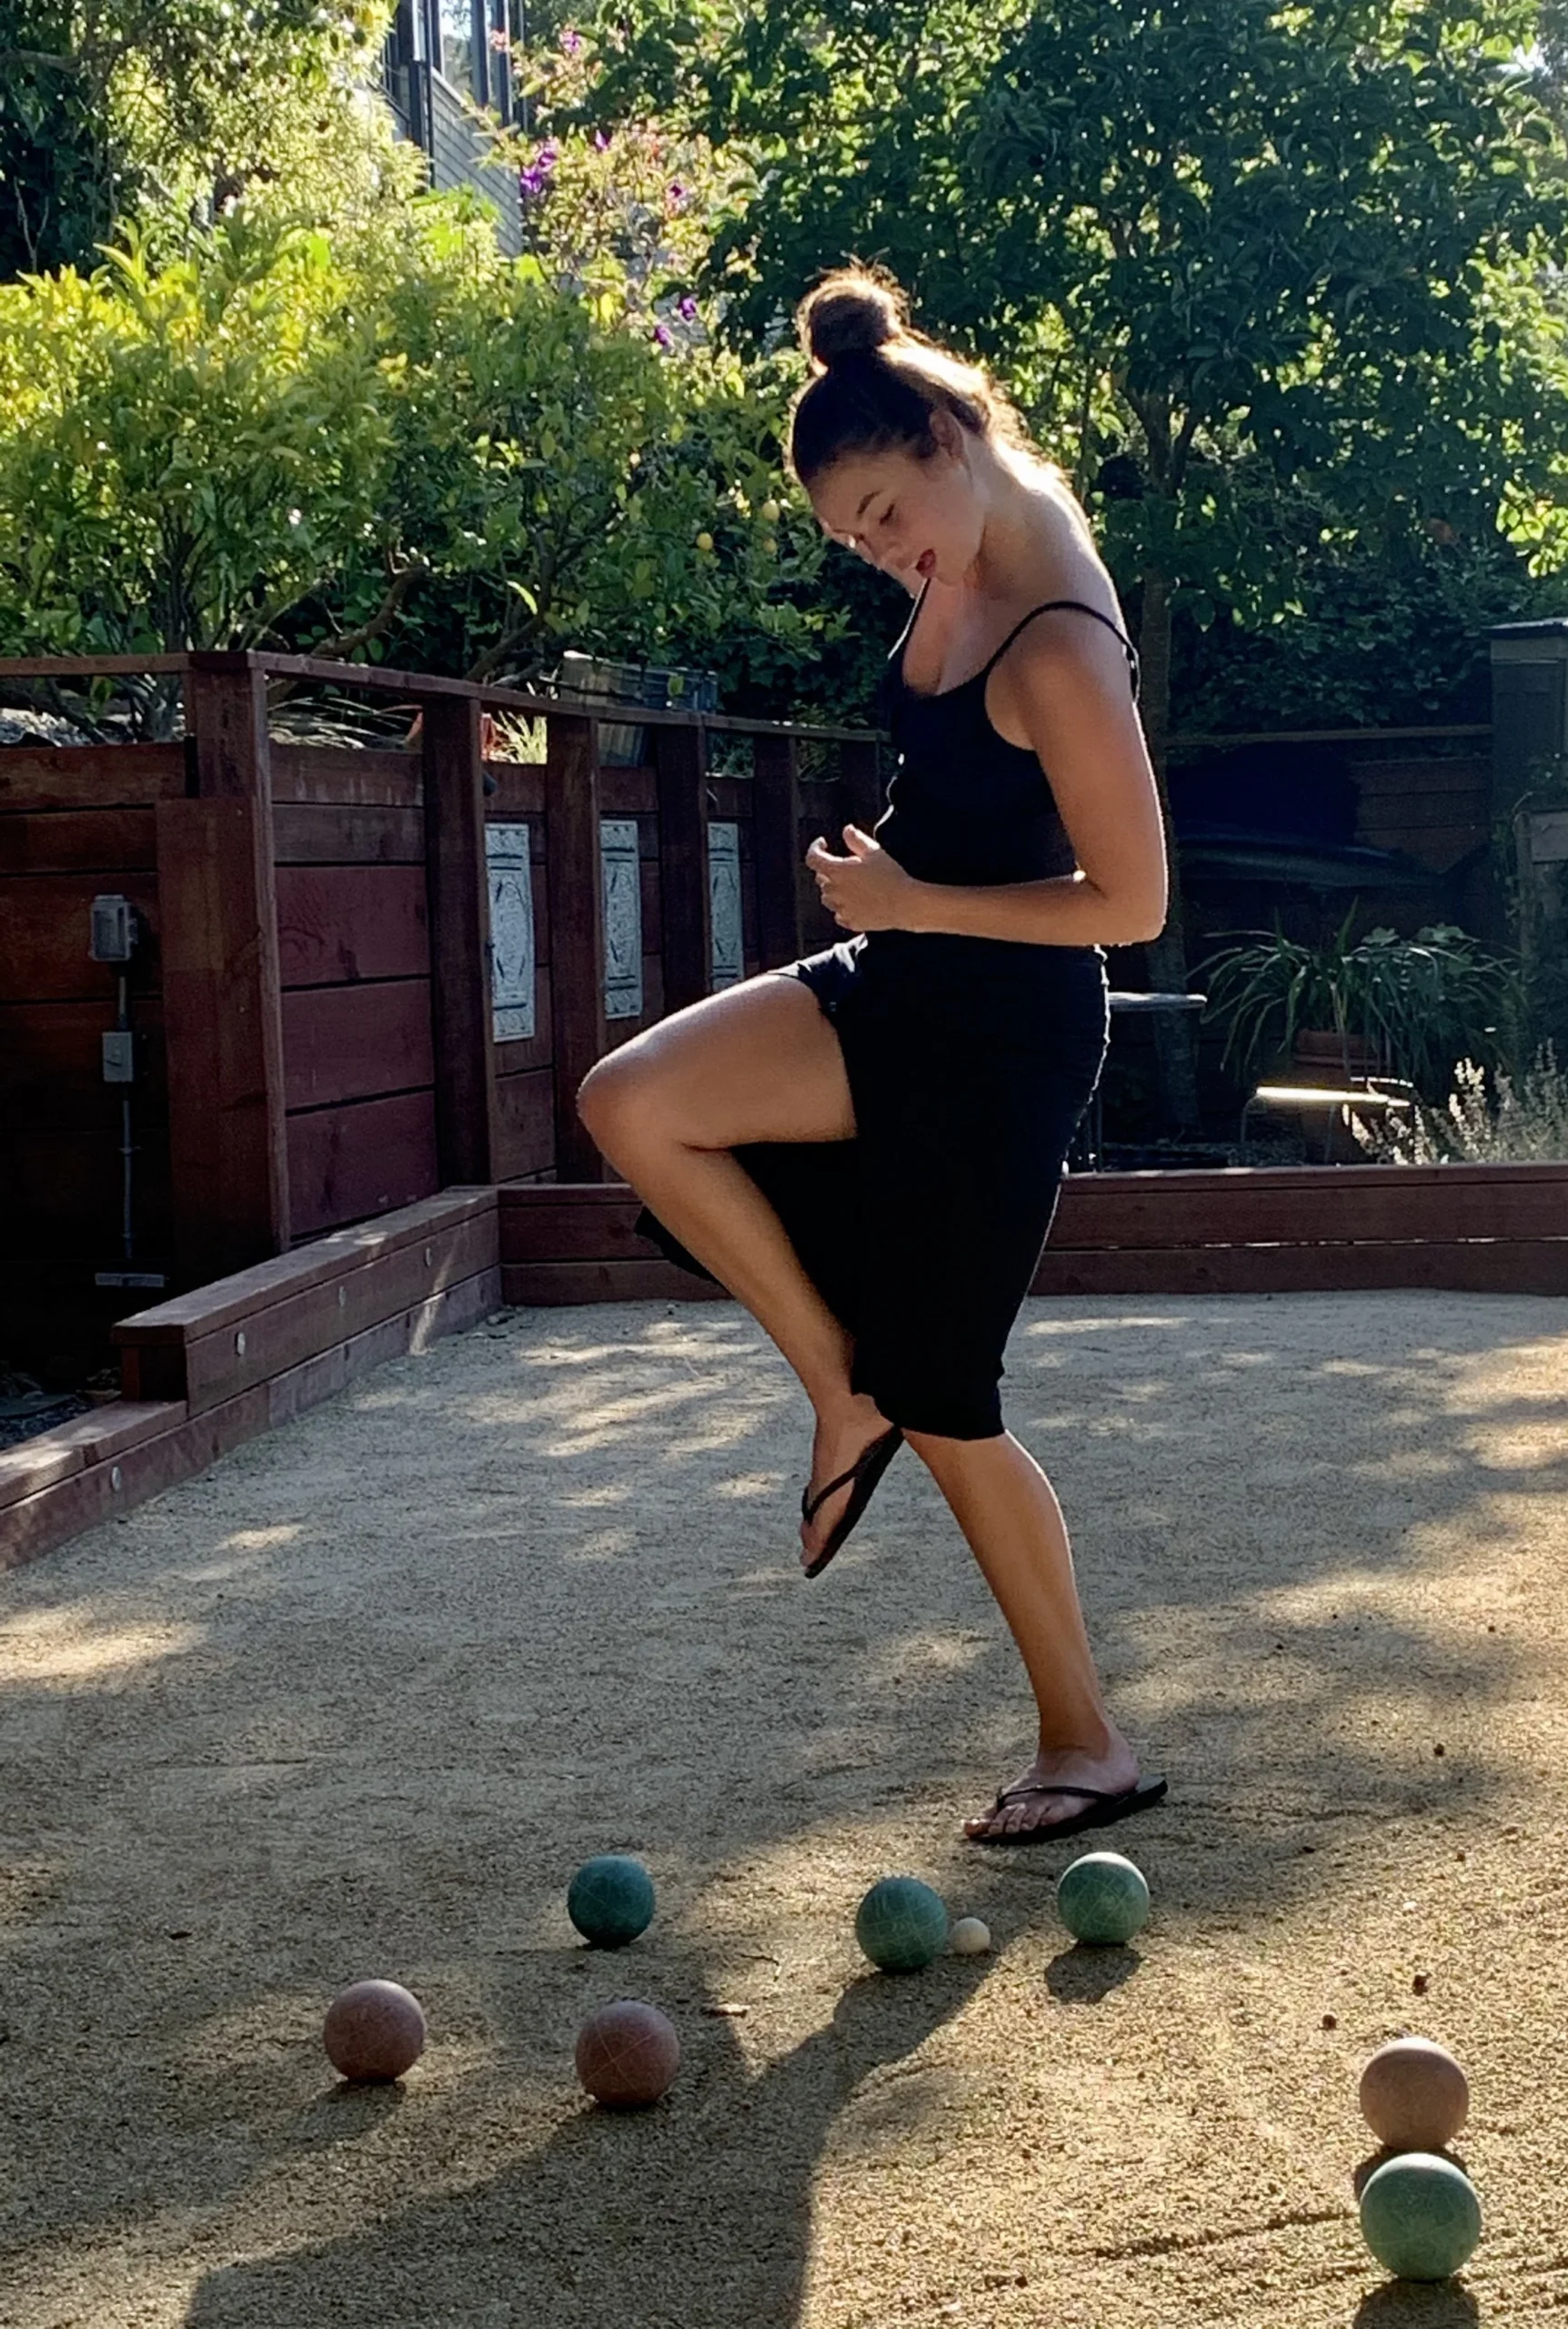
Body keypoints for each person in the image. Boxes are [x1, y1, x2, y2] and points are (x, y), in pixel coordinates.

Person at [578, 263, 1169, 1845]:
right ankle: (841, 1394)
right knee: (633, 1102)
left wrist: (913, 895)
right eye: (857, 539)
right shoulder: (981, 513)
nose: (884, 553)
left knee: (956, 1400)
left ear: (943, 437)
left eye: (886, 515)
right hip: (900, 976)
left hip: (1003, 1037)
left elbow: (1133, 901)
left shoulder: (1057, 643)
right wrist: (896, 906)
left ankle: (1086, 1739)